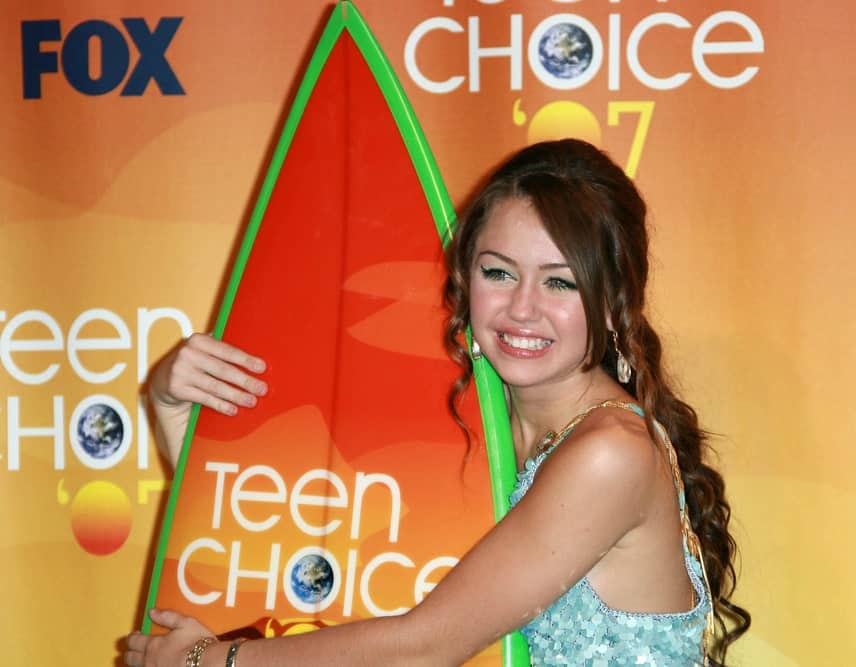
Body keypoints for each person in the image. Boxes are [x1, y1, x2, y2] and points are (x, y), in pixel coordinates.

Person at [127, 139, 750, 667]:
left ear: (614, 303)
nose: (522, 308)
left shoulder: (610, 454)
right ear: (463, 279)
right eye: (498, 272)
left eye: (560, 281)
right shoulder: (470, 421)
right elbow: (303, 540)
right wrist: (174, 409)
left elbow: (425, 648)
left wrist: (211, 659)